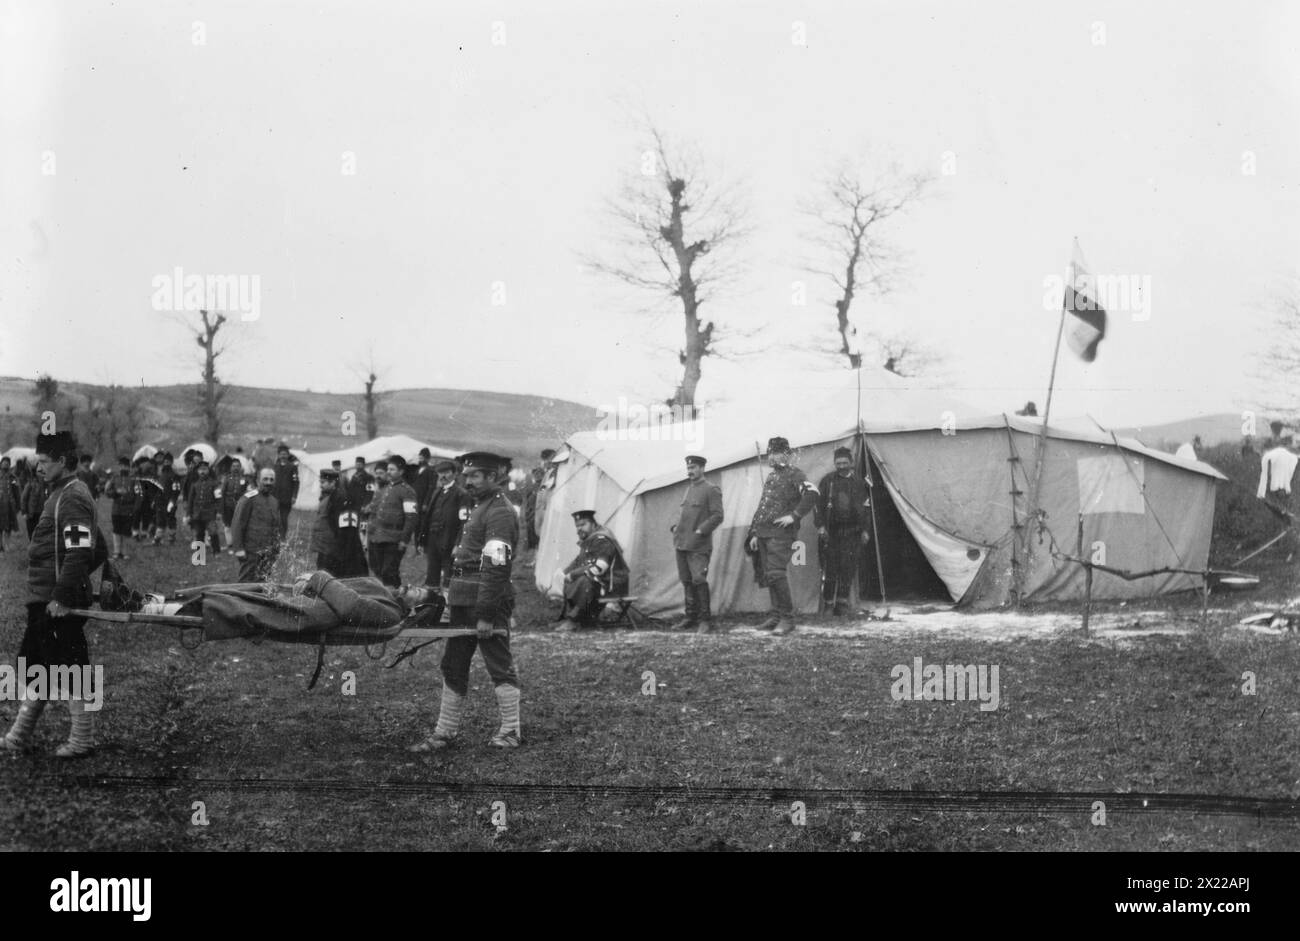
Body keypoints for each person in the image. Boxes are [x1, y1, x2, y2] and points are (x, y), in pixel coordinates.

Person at [409, 452, 521, 752]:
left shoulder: (500, 512)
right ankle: (445, 732)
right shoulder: (480, 507)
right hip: (462, 597)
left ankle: (510, 731)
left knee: (498, 664)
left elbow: (497, 567)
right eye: (466, 475)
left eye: (474, 476)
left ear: (493, 478)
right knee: (453, 664)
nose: (467, 481)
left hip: (486, 600)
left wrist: (485, 614)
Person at [2, 431, 103, 758]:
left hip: (56, 602)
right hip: (45, 598)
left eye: (44, 462)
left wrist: (64, 594)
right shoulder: (60, 493)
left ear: (62, 461)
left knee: (69, 667)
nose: (39, 467)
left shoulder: (72, 496)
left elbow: (82, 551)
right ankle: (19, 736)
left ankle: (82, 740)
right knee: (36, 665)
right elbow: (98, 548)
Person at [747, 436, 818, 636]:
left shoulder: (795, 474)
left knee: (776, 573)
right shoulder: (771, 477)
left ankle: (787, 619)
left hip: (780, 534)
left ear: (786, 454)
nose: (771, 457)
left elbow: (813, 494)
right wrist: (754, 532)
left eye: (775, 453)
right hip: (763, 533)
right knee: (770, 575)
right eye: (769, 453)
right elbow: (763, 507)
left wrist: (794, 516)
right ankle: (776, 616)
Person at [669, 455, 724, 633]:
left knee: (699, 580)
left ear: (702, 469)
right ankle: (690, 617)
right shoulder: (689, 489)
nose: (690, 471)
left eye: (693, 468)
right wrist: (675, 527)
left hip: (699, 545)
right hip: (682, 543)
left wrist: (702, 530)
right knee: (686, 581)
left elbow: (718, 515)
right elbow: (684, 513)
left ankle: (705, 620)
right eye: (688, 468)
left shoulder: (711, 489)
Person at [815, 446, 872, 617]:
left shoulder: (859, 483)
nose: (841, 466)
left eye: (844, 463)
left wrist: (865, 530)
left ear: (851, 463)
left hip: (853, 533)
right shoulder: (827, 481)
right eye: (838, 463)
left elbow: (866, 509)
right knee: (830, 569)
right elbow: (818, 506)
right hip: (832, 533)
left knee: (847, 569)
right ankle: (828, 604)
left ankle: (842, 604)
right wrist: (821, 526)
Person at [556, 509, 630, 632]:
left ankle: (574, 620)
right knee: (573, 579)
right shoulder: (589, 540)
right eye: (577, 526)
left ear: (593, 524)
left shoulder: (602, 540)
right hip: (602, 583)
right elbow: (578, 562)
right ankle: (571, 618)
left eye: (583, 524)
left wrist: (573, 574)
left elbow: (599, 568)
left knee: (584, 581)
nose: (579, 529)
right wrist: (563, 574)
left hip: (613, 585)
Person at [366, 455, 418, 588]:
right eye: (388, 469)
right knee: (377, 570)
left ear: (401, 472)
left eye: (392, 469)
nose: (388, 472)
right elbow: (373, 513)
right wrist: (370, 534)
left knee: (389, 572)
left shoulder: (407, 492)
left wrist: (404, 541)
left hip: (394, 539)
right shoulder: (383, 490)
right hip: (376, 537)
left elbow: (411, 518)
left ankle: (396, 599)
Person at [422, 459, 473, 589]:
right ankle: (432, 603)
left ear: (455, 474)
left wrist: (458, 544)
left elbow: (464, 522)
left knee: (449, 576)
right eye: (440, 473)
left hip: (449, 540)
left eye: (446, 472)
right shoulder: (437, 492)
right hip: (433, 539)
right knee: (432, 574)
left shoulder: (462, 494)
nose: (442, 476)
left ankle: (447, 605)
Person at [309, 467, 368, 577]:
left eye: (323, 482)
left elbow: (344, 531)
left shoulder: (339, 500)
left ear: (333, 483)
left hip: (332, 548)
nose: (320, 485)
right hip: (324, 546)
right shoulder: (329, 498)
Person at [230, 468, 282, 582]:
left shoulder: (274, 501)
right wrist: (239, 549)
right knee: (245, 583)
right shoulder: (248, 498)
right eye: (265, 479)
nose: (268, 482)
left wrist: (277, 548)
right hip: (251, 550)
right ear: (258, 481)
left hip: (268, 551)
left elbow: (277, 527)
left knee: (263, 583)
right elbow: (237, 524)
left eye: (271, 480)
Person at [185, 459, 222, 557]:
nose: (202, 472)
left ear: (208, 471)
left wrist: (218, 512)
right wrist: (189, 514)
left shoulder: (214, 483)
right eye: (200, 469)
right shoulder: (195, 484)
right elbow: (190, 501)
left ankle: (216, 552)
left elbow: (218, 499)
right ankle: (200, 554)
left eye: (205, 469)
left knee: (213, 532)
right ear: (197, 471)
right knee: (199, 534)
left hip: (210, 513)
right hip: (197, 513)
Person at [104, 456, 139, 560]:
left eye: (125, 466)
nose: (123, 468)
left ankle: (125, 552)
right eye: (121, 465)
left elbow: (138, 494)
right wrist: (115, 493)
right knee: (116, 530)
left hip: (128, 509)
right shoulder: (114, 478)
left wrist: (135, 507)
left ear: (129, 467)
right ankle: (116, 551)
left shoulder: (134, 479)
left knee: (126, 531)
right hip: (116, 509)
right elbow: (107, 491)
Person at [154, 451, 182, 545]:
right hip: (160, 500)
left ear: (171, 462)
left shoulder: (174, 476)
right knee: (160, 519)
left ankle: (171, 537)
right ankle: (158, 538)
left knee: (170, 519)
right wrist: (155, 500)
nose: (166, 463)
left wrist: (172, 501)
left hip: (170, 501)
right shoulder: (161, 475)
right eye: (165, 461)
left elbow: (176, 490)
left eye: (168, 461)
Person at [272, 444, 299, 539]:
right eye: (281, 454)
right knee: (274, 517)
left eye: (285, 454)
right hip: (275, 497)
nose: (283, 456)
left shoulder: (292, 467)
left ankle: (283, 537)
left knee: (284, 518)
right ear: (278, 455)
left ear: (288, 455)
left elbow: (296, 482)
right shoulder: (275, 467)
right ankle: (275, 535)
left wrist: (294, 496)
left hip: (287, 498)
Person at [20, 464, 45, 541]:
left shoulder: (45, 483)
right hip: (32, 513)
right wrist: (24, 512)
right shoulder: (30, 484)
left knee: (41, 534)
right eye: (39, 472)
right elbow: (24, 498)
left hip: (42, 512)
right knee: (32, 534)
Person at [0, 456, 20, 552]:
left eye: (7, 462)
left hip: (9, 506)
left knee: (8, 527)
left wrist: (18, 505)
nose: (5, 464)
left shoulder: (13, 477)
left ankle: (7, 544)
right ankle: (0, 546)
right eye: (4, 462)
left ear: (9, 465)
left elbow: (16, 492)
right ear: (1, 464)